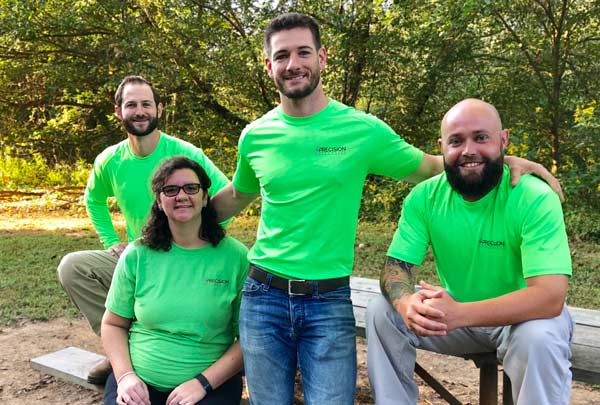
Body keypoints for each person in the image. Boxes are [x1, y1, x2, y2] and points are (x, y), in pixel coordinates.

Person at [211, 13, 563, 405]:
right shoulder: (255, 135)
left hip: (326, 298)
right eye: (282, 56)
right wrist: (175, 223)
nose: (293, 64)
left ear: (322, 58)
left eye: (303, 52)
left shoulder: (363, 130)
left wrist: (505, 160)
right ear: (269, 65)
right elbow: (237, 195)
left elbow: (437, 164)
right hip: (263, 294)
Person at [366, 98, 573, 405]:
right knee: (382, 311)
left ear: (503, 140)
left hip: (524, 319)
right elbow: (396, 269)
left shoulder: (534, 197)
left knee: (539, 339)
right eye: (456, 141)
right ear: (442, 147)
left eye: (481, 138)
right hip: (456, 315)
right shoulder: (424, 197)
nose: (469, 150)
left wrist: (460, 314)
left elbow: (549, 297)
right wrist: (407, 302)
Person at [56, 76, 230, 383]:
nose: (139, 111)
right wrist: (111, 240)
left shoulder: (184, 154)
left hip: (185, 259)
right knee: (73, 267)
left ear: (159, 109)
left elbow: (226, 196)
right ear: (118, 111)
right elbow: (94, 199)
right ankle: (119, 352)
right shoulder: (110, 159)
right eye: (131, 104)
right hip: (139, 258)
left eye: (146, 104)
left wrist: (197, 241)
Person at [101, 156, 248, 405]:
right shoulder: (138, 254)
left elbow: (249, 339)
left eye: (191, 188)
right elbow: (113, 324)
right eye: (170, 190)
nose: (181, 196)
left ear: (204, 197)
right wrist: (126, 377)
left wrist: (202, 383)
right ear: (159, 201)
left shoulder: (236, 257)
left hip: (209, 385)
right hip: (138, 382)